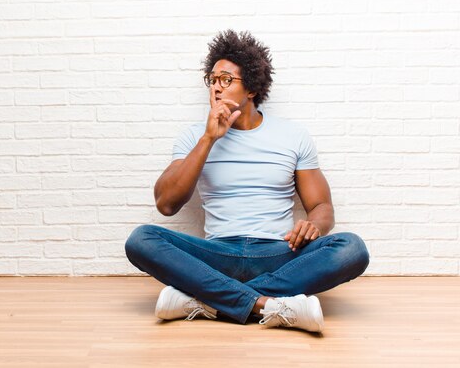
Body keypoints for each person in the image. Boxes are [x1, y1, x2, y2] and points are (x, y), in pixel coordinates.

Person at [124, 30, 370, 333]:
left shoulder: (293, 136)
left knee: (352, 249)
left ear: (251, 88)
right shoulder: (194, 136)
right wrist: (208, 139)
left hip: (279, 254)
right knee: (141, 240)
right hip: (217, 255)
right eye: (212, 80)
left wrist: (315, 225)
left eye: (226, 80)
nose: (215, 88)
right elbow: (166, 204)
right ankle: (267, 305)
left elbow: (321, 205)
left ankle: (209, 300)